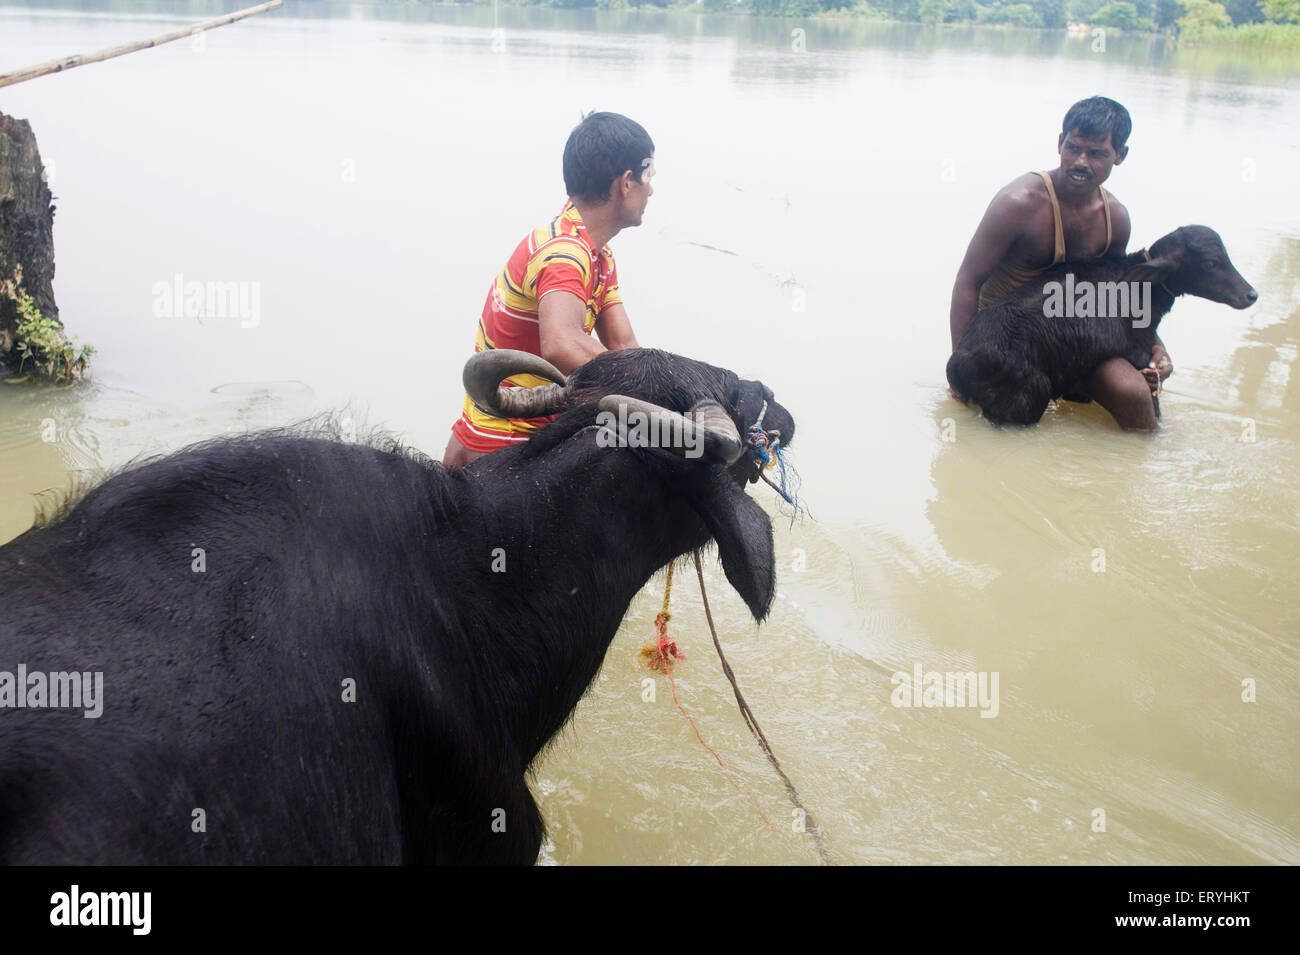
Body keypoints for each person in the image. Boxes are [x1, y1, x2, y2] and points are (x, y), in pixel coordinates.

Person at [443, 112, 653, 468]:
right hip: (504, 452)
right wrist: (652, 398)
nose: (652, 188)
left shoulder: (595, 253)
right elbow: (562, 343)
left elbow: (623, 349)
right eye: (648, 175)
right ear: (626, 183)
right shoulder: (564, 253)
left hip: (504, 440)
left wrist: (669, 392)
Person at [948, 96, 1171, 431]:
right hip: (1007, 345)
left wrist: (1157, 347)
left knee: (1134, 394)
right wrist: (962, 374)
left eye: (1096, 153)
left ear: (1120, 156)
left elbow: (1114, 300)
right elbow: (968, 282)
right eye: (1073, 147)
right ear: (1059, 143)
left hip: (1073, 341)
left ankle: (1142, 467)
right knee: (1006, 437)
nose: (1080, 162)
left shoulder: (1115, 219)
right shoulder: (1019, 203)